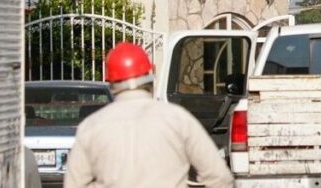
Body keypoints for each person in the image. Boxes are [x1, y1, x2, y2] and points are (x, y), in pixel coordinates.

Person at [64, 42, 234, 188]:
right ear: (149, 77)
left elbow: (74, 184)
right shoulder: (177, 119)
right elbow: (220, 177)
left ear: (111, 83)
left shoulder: (91, 127)